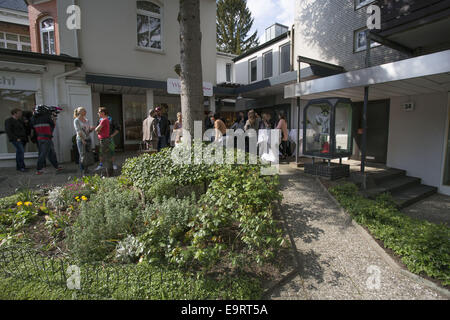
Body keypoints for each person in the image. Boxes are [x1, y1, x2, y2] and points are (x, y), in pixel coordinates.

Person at [31, 105, 62, 175]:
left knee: (51, 152)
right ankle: (39, 169)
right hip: (46, 138)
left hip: (40, 138)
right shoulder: (46, 117)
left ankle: (56, 166)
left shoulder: (33, 118)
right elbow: (53, 125)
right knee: (43, 154)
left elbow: (32, 126)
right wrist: (54, 118)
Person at [73, 107, 95, 175]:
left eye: (85, 110)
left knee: (88, 154)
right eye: (83, 110)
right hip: (81, 140)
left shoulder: (87, 120)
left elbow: (87, 131)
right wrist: (82, 139)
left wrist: (91, 129)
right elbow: (78, 131)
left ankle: (86, 169)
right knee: (82, 155)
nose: (85, 111)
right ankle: (83, 170)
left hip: (88, 139)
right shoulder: (76, 120)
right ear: (79, 112)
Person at [95, 107, 113, 177]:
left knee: (105, 157)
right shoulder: (106, 120)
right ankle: (110, 172)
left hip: (104, 140)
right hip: (106, 139)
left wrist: (98, 130)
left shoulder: (104, 120)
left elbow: (97, 129)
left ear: (103, 113)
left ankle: (107, 174)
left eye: (99, 112)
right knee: (108, 156)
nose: (98, 113)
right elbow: (98, 130)